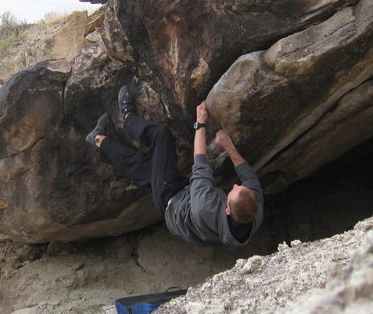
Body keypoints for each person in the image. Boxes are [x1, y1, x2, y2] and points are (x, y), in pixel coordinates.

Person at [86, 85, 263, 247]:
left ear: (227, 210)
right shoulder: (252, 211)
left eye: (233, 191)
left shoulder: (206, 206)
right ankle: (98, 139)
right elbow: (248, 176)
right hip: (185, 199)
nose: (235, 185)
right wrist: (229, 146)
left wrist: (200, 122)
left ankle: (127, 118)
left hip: (171, 198)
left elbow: (200, 162)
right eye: (239, 187)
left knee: (161, 135)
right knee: (145, 167)